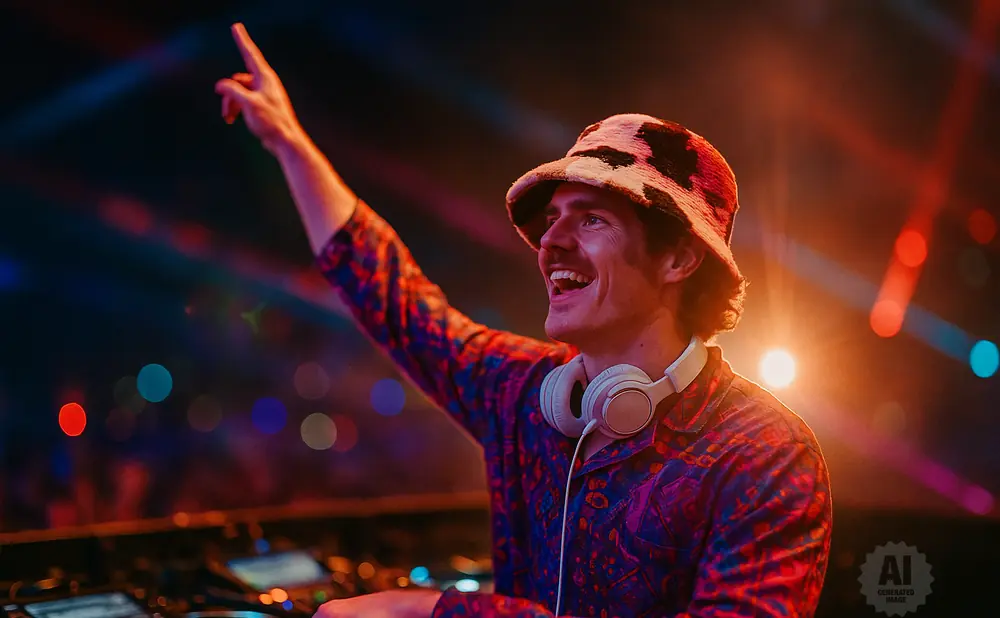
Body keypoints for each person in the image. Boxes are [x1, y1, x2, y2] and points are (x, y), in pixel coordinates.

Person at [215, 23, 832, 618]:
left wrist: (443, 612)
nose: (551, 242)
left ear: (678, 257)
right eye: (553, 218)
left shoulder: (766, 455)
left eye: (591, 219)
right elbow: (395, 300)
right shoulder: (526, 391)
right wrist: (291, 148)